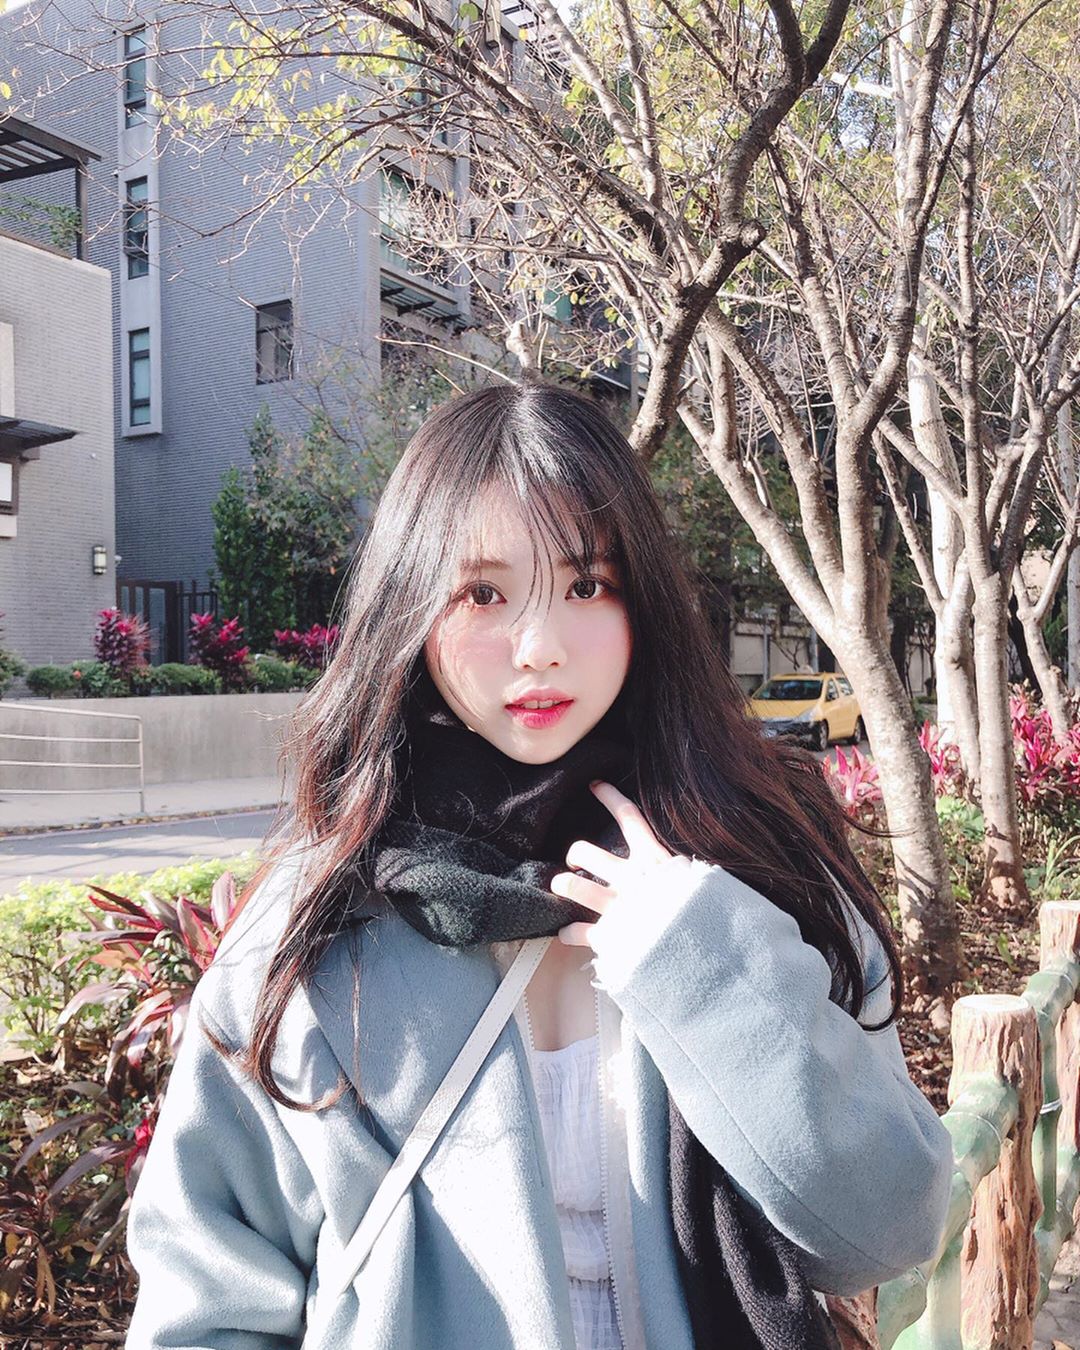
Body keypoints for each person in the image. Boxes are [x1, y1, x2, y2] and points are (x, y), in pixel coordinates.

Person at [124, 381, 953, 1350]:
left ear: (644, 601)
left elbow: (890, 1228)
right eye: (483, 593)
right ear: (410, 604)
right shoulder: (318, 926)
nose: (539, 647)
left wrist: (705, 968)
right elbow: (206, 1308)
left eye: (586, 585)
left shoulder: (756, 858)